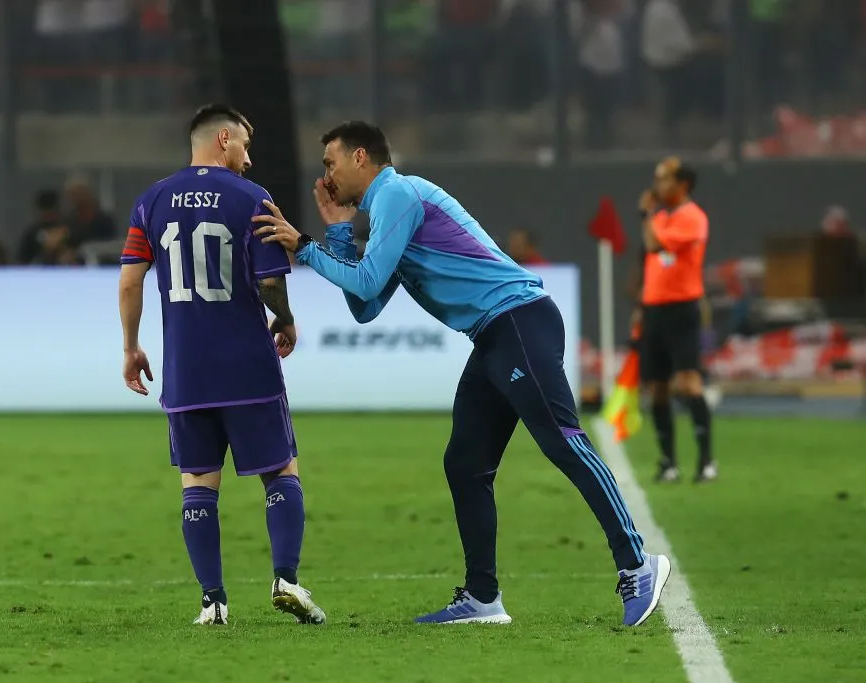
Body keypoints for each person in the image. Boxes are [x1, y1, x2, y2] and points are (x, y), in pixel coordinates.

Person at [254, 121, 670, 626]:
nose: (325, 175)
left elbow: (363, 281)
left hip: (518, 320)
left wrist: (304, 245)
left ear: (360, 157)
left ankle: (637, 565)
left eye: (330, 163)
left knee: (563, 442)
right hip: (493, 336)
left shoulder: (397, 194)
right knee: (465, 463)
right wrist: (338, 232)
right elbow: (366, 305)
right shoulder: (387, 212)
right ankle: (482, 598)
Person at [117, 104, 326, 627]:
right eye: (246, 146)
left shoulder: (151, 201)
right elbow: (271, 281)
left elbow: (129, 280)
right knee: (281, 471)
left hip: (187, 372)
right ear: (224, 139)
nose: (250, 160)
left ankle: (213, 601)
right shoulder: (252, 199)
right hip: (246, 365)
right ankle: (286, 580)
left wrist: (131, 346)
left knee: (197, 483)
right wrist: (286, 319)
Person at [638, 157, 716, 483]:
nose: (658, 185)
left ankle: (707, 462)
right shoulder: (664, 218)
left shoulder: (692, 218)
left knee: (687, 383)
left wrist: (645, 214)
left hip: (681, 308)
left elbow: (655, 246)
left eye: (665, 179)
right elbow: (656, 263)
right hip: (654, 308)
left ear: (683, 185)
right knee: (656, 388)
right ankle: (668, 462)